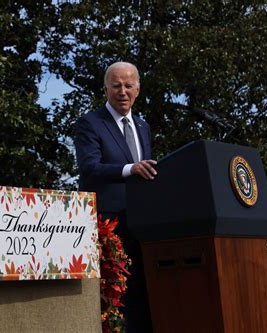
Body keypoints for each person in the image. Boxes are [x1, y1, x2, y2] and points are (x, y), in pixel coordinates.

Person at [74, 61, 157, 332]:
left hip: (142, 223)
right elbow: (90, 168)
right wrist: (130, 169)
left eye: (128, 85)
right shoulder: (90, 124)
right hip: (108, 223)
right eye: (116, 85)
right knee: (114, 298)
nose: (123, 91)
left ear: (138, 89)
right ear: (106, 88)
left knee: (142, 294)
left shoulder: (143, 127)